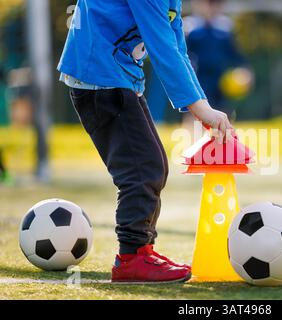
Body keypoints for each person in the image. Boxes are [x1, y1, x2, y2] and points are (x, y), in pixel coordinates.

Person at [58, 0, 233, 284]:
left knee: (155, 166)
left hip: (117, 78)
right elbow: (161, 46)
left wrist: (202, 105)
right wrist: (199, 109)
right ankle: (130, 259)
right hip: (100, 81)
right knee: (142, 171)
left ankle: (142, 250)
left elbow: (177, 48)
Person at [184, 0, 249, 118]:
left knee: (223, 111)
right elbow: (184, 54)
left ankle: (222, 135)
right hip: (198, 77)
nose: (211, 7)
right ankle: (192, 135)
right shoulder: (190, 27)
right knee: (196, 112)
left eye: (214, 4)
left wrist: (244, 69)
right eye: (208, 3)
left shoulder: (225, 28)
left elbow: (235, 54)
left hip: (220, 78)